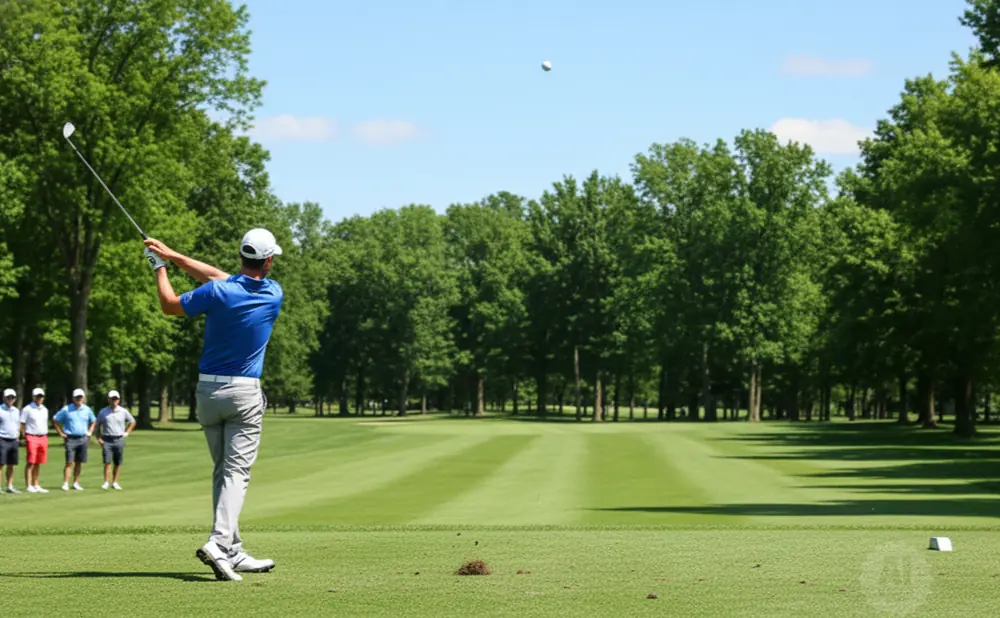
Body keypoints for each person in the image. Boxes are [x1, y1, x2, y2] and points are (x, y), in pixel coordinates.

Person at [144, 228, 284, 582]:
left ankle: (233, 550)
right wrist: (171, 258)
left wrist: (161, 265)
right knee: (237, 472)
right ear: (268, 261)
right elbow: (220, 278)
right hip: (244, 395)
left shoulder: (218, 292)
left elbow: (170, 305)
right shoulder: (272, 293)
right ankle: (219, 543)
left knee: (224, 471)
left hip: (207, 394)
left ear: (241, 257)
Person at [52, 389, 96, 491]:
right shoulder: (66, 409)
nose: (79, 399)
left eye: (80, 397)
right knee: (69, 462)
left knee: (79, 462)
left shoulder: (87, 409)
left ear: (83, 398)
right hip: (70, 439)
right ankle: (65, 483)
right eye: (77, 397)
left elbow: (93, 421)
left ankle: (76, 483)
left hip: (83, 438)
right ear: (73, 398)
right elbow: (55, 420)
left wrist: (90, 432)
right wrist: (61, 433)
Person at [95, 390, 136, 490]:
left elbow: (132, 422)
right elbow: (97, 426)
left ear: (118, 400)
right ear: (108, 400)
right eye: (112, 399)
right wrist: (99, 438)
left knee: (118, 462)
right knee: (107, 462)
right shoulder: (103, 412)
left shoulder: (123, 411)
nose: (114, 401)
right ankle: (106, 482)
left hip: (119, 439)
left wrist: (127, 432)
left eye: (116, 399)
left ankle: (115, 482)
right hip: (107, 439)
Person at [20, 387, 50, 493]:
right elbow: (22, 424)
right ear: (33, 397)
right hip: (31, 436)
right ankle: (28, 485)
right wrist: (24, 437)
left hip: (43, 437)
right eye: (38, 396)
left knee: (38, 462)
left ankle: (36, 484)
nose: (40, 398)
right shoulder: (27, 409)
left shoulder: (45, 409)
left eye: (41, 396)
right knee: (31, 462)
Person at [0, 389, 21, 494]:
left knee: (11, 464)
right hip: (2, 439)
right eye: (8, 397)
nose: (10, 399)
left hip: (13, 440)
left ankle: (10, 486)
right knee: (0, 464)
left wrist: (18, 436)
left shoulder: (16, 411)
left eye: (12, 397)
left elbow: (17, 425)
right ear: (4, 398)